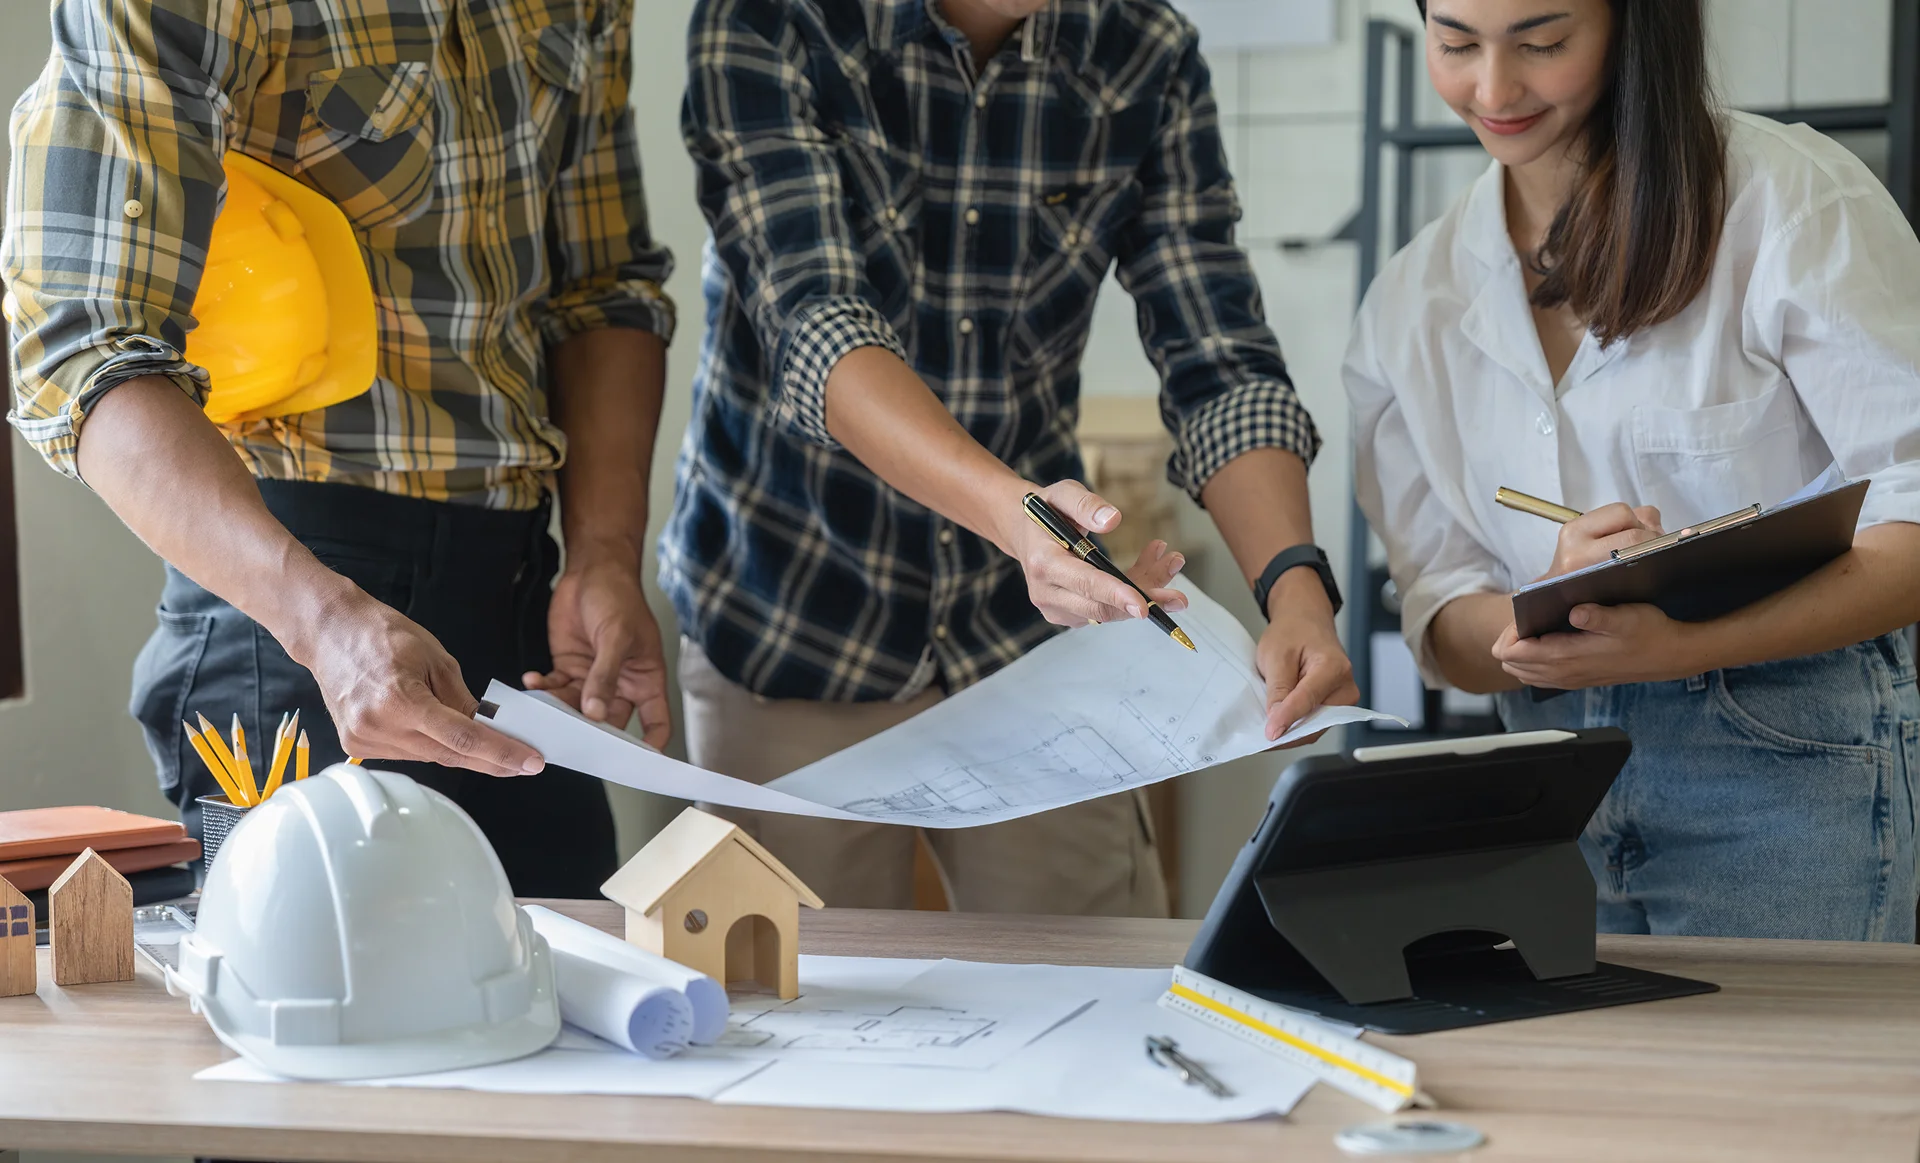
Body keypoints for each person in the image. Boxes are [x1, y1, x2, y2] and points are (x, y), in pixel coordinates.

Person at [668, 0, 1358, 915]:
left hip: (1026, 638)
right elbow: (817, 325)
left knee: (1110, 987)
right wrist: (1023, 521)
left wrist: (1296, 593)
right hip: (793, 608)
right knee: (791, 1006)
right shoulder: (773, 19)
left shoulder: (1141, 47)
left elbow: (1218, 355)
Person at [3, 0, 676, 897]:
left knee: (571, 1001)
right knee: (316, 1011)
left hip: (521, 594)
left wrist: (603, 551)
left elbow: (602, 292)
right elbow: (83, 345)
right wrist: (323, 622)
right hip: (296, 604)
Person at [1348, 0, 1920, 939]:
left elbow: (1912, 512)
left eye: (1542, 43)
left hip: (1785, 758)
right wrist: (1545, 613)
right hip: (1550, 778)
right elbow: (1440, 615)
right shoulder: (1412, 301)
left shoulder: (1788, 200)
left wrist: (1683, 643)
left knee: (1774, 1083)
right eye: (1454, 44)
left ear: (1633, 25)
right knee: (1591, 1084)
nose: (1492, 90)